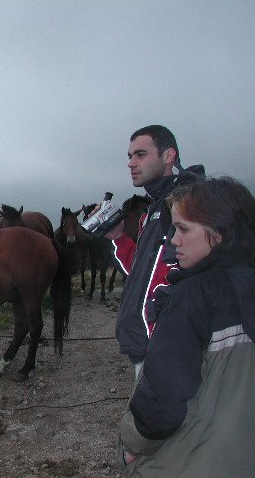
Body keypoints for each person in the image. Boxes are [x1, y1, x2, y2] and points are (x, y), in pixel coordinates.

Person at [118, 176, 255, 477]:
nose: (173, 240)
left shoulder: (192, 296)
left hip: (194, 459)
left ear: (218, 233)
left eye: (183, 229)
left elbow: (162, 401)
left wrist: (132, 444)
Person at [105, 125, 204, 376]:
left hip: (169, 351)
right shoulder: (154, 209)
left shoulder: (189, 205)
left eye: (140, 154)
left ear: (168, 155)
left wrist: (157, 327)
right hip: (146, 347)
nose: (131, 163)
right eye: (130, 156)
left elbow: (195, 279)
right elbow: (141, 271)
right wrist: (117, 237)